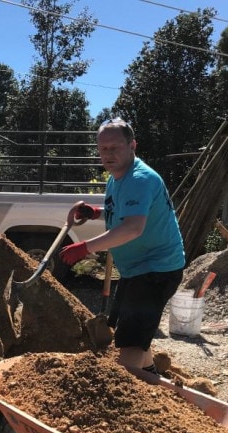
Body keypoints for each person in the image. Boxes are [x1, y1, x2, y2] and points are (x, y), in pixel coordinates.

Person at [58, 118, 185, 374]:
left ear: (132, 145)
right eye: (103, 148)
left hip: (156, 270)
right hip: (137, 269)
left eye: (115, 147)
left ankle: (124, 400)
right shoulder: (117, 178)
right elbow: (123, 214)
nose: (109, 154)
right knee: (136, 333)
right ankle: (150, 376)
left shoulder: (140, 179)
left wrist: (85, 248)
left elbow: (133, 227)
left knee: (129, 345)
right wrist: (95, 212)